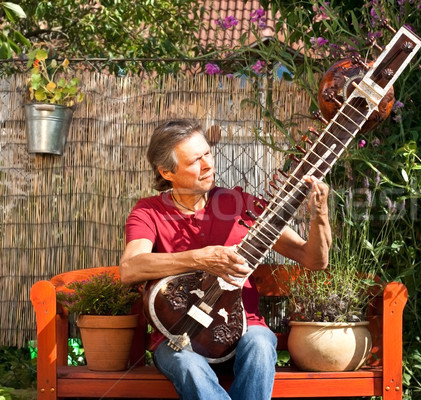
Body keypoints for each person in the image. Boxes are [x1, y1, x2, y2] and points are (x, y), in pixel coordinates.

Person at [119, 119, 332, 400]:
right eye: (195, 160)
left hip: (244, 331)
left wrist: (320, 216)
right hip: (178, 337)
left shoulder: (240, 205)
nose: (207, 164)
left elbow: (314, 260)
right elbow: (130, 268)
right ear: (167, 172)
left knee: (260, 344)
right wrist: (199, 258)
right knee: (189, 365)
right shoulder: (149, 212)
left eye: (207, 153)